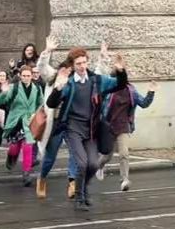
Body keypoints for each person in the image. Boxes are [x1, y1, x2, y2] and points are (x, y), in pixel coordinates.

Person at [45, 47, 127, 210]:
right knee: (82, 164)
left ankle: (84, 188)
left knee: (93, 165)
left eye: (84, 62)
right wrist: (58, 88)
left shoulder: (96, 80)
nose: (82, 66)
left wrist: (120, 71)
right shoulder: (69, 83)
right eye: (78, 64)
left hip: (90, 130)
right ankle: (79, 198)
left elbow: (120, 85)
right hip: (73, 129)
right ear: (72, 65)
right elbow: (51, 104)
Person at [97, 79, 158, 191]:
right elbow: (99, 107)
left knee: (124, 154)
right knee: (107, 155)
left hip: (123, 127)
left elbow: (144, 103)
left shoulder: (131, 91)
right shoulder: (109, 90)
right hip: (109, 127)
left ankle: (124, 180)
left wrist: (151, 92)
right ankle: (99, 166)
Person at [0, 65, 44, 186]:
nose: (26, 78)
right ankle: (11, 156)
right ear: (20, 76)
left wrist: (36, 114)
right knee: (14, 147)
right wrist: (4, 93)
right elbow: (4, 101)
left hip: (29, 122)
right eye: (24, 76)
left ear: (32, 76)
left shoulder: (37, 88)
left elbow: (41, 103)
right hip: (16, 121)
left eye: (28, 76)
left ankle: (26, 174)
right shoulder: (14, 87)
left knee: (28, 146)